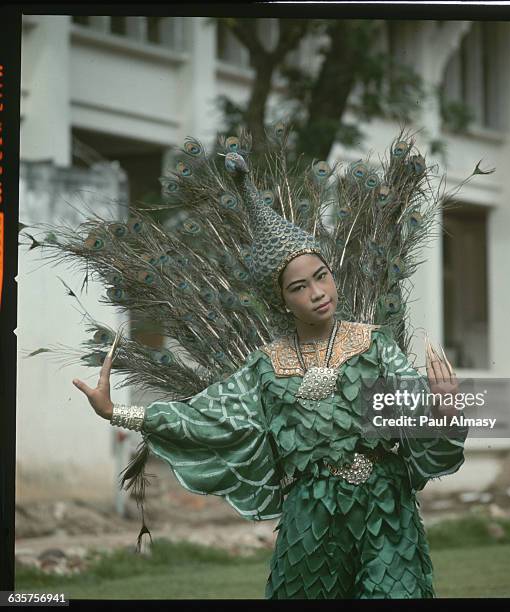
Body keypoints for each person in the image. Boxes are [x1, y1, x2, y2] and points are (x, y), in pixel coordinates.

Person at [71, 146, 469, 599]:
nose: (318, 293)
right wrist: (116, 412)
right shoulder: (265, 368)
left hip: (386, 512)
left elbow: (416, 424)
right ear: (282, 299)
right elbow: (205, 418)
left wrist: (444, 408)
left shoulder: (374, 346)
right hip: (310, 523)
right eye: (300, 287)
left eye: (322, 276)